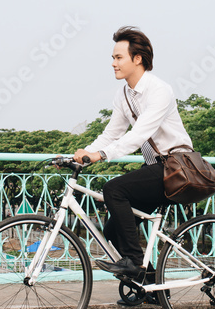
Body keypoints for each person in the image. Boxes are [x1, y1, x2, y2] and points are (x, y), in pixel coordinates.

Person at [74, 26, 193, 283]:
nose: (113, 64)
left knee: (114, 190)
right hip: (157, 168)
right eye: (113, 58)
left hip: (176, 167)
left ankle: (135, 263)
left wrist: (102, 155)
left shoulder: (159, 90)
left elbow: (138, 134)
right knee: (112, 230)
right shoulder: (124, 95)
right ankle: (151, 288)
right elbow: (112, 133)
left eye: (118, 58)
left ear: (137, 59)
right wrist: (85, 153)